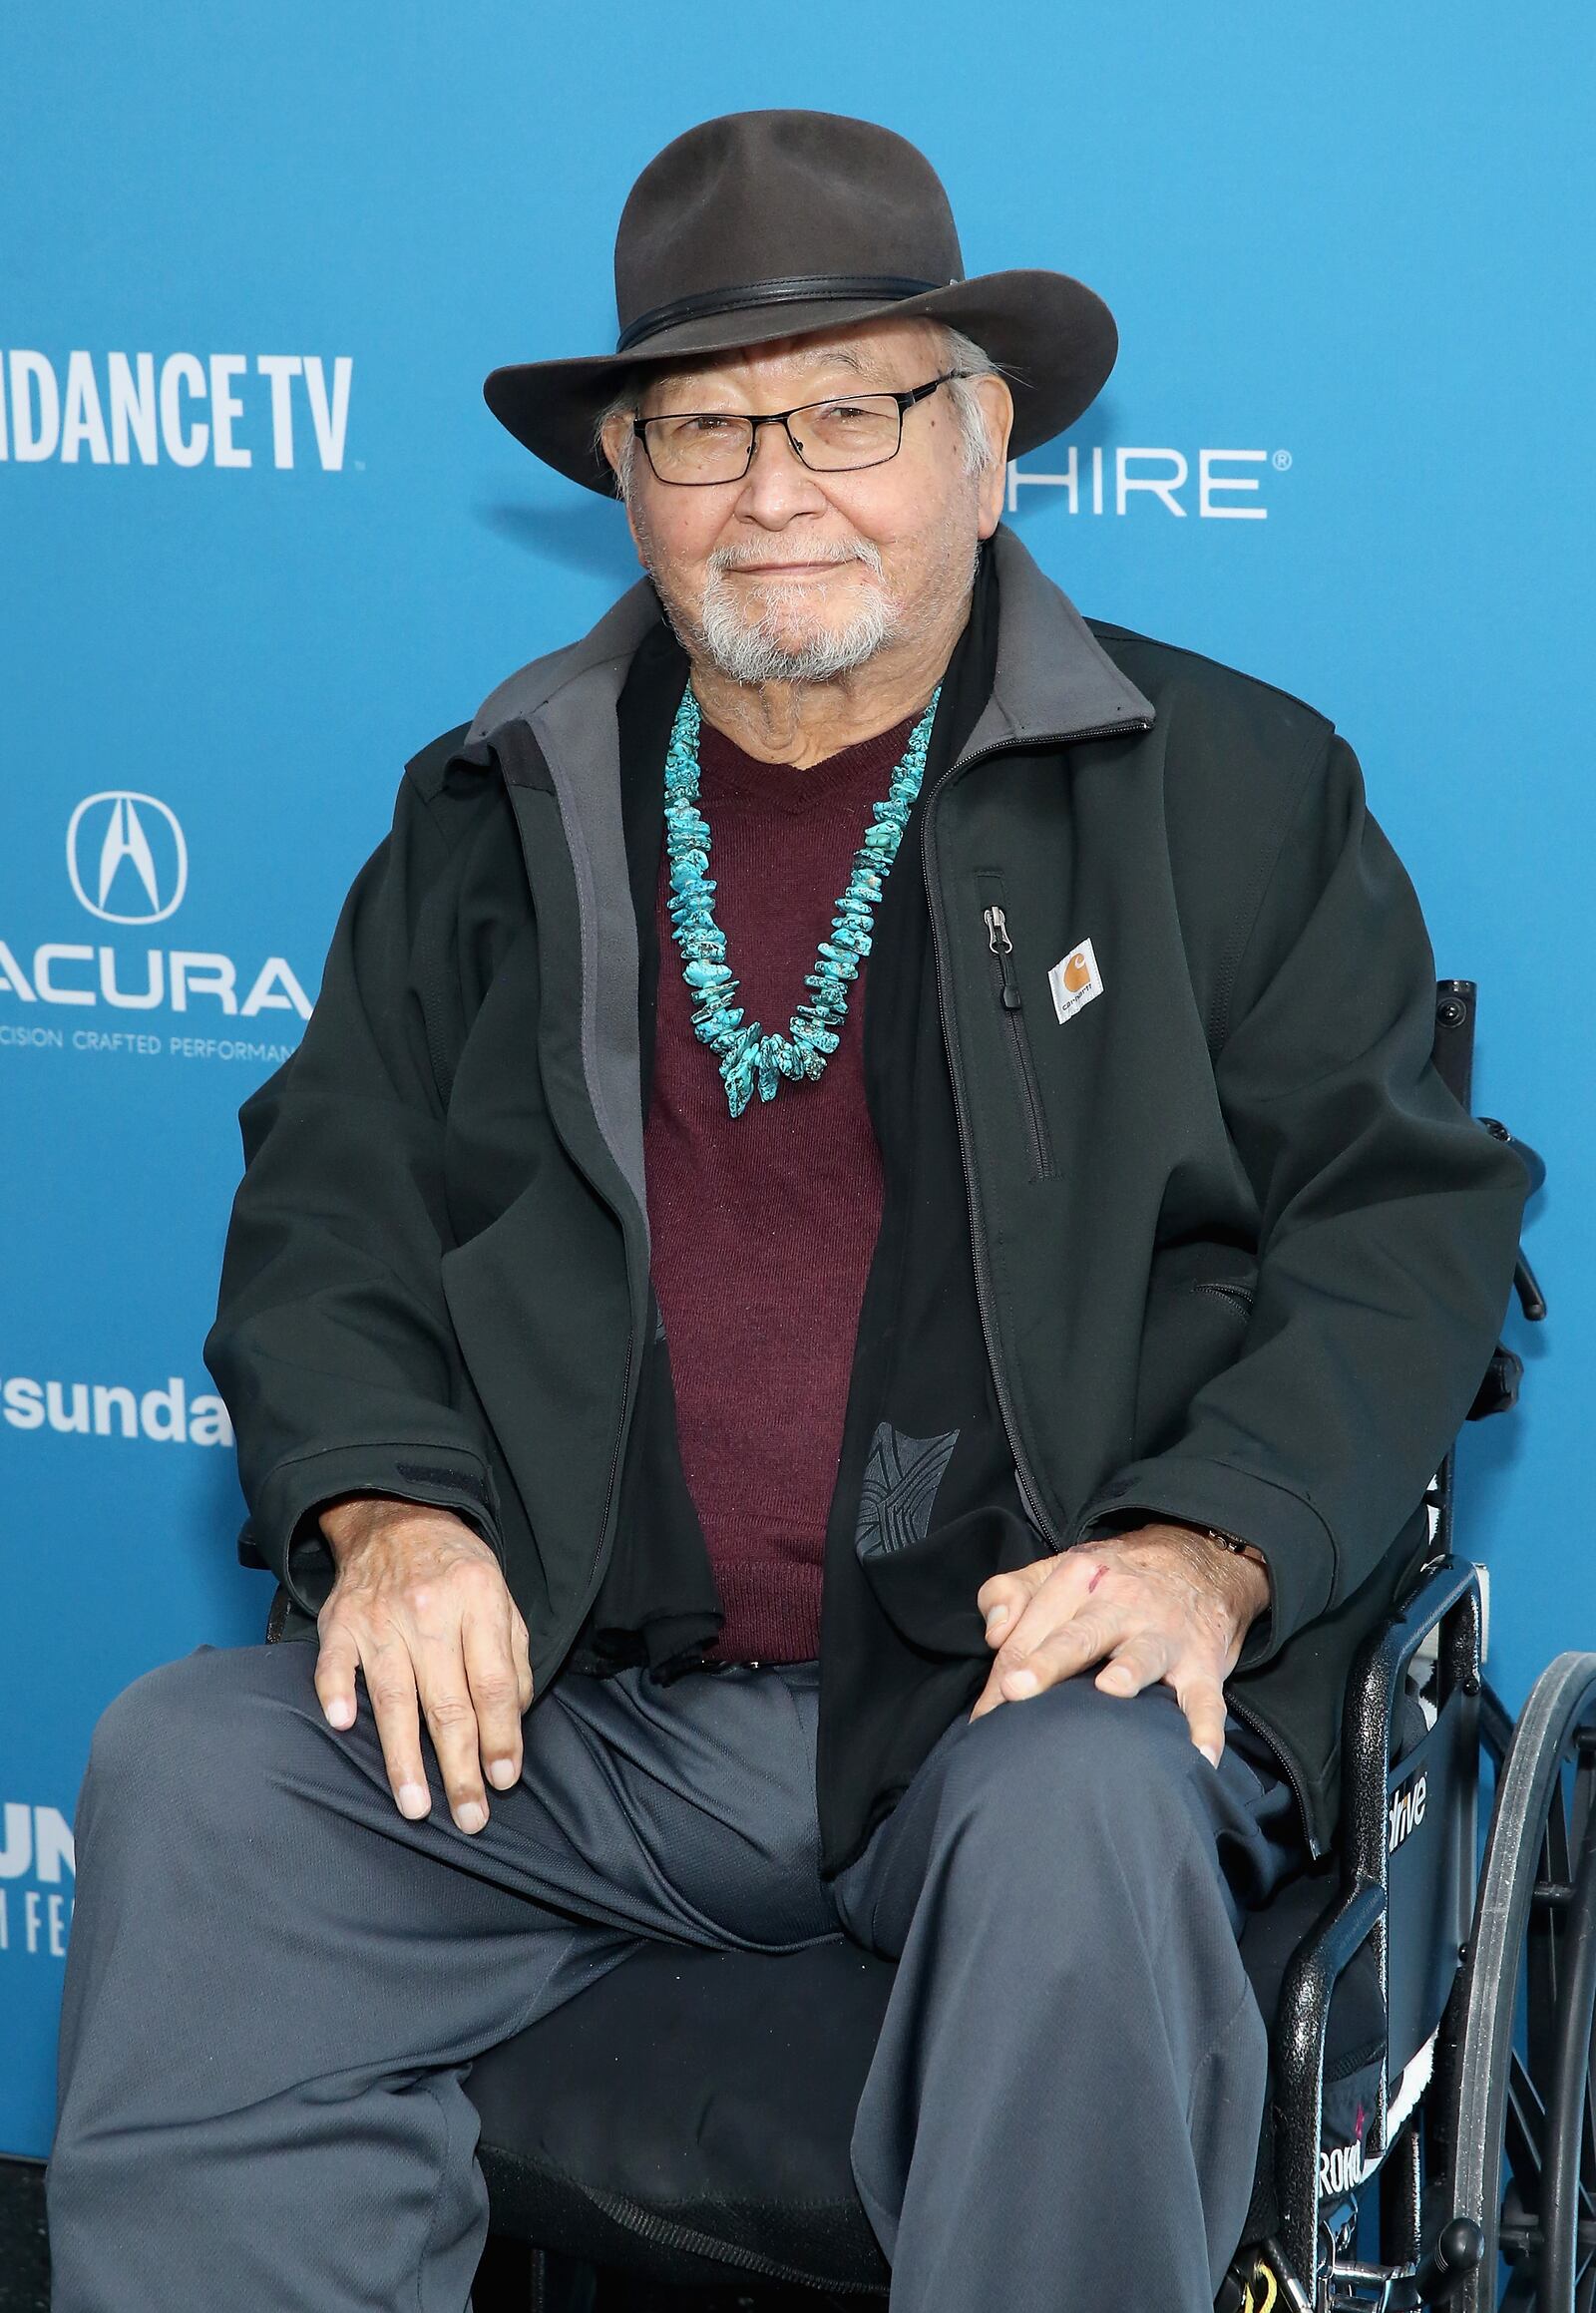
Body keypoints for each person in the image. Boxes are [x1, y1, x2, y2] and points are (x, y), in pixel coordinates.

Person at [46, 109, 1527, 2313]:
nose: (774, 485)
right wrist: (387, 1500)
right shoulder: (491, 809)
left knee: (1085, 1810)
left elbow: (1408, 1229)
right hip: (580, 1703)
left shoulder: (1224, 790)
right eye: (705, 425)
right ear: (621, 479)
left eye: (850, 409)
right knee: (199, 1768)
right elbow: (327, 1209)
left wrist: (1209, 1547)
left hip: (1015, 1695)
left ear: (985, 438)